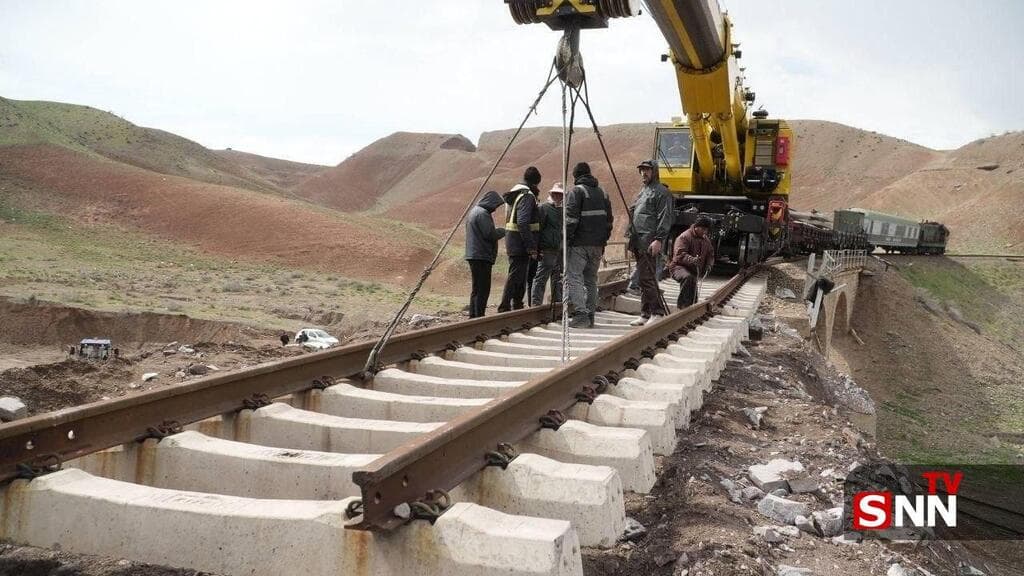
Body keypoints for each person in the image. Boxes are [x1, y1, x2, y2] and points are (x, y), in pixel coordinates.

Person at [564, 162, 613, 328]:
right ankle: (590, 315)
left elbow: (570, 220)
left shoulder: (577, 191)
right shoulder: (603, 193)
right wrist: (603, 241)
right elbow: (609, 222)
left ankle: (580, 315)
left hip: (579, 244)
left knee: (574, 276)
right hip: (598, 245)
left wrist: (566, 239)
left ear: (576, 177)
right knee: (591, 279)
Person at [628, 159, 674, 326]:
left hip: (649, 240)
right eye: (641, 170)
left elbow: (665, 217)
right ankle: (645, 313)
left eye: (647, 170)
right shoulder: (644, 191)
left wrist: (659, 239)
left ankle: (657, 311)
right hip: (638, 240)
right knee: (643, 278)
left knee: (647, 278)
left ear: (654, 171)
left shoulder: (662, 192)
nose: (643, 173)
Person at [497, 167, 542, 312]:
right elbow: (523, 222)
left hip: (514, 240)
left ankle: (517, 305)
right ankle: (504, 307)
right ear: (535, 183)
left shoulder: (516, 192)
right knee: (516, 274)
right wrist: (531, 247)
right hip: (520, 242)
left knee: (519, 274)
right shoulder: (527, 196)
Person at [464, 190, 507, 318]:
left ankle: (473, 315)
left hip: (474, 254)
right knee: (483, 288)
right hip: (482, 255)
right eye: (495, 205)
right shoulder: (482, 214)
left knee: (476, 288)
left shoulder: (474, 211)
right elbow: (490, 234)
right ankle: (479, 316)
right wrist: (503, 231)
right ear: (490, 202)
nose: (495, 209)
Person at [668, 216, 715, 309]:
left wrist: (709, 264)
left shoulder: (706, 240)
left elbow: (710, 254)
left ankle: (691, 308)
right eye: (703, 229)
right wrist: (692, 260)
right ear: (696, 226)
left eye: (706, 230)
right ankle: (682, 307)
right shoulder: (684, 237)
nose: (705, 232)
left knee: (693, 292)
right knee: (688, 277)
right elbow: (680, 254)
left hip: (693, 271)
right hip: (678, 267)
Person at [531, 182, 564, 306]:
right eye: (556, 194)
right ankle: (536, 303)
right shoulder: (544, 208)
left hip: (559, 249)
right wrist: (537, 248)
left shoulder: (563, 210)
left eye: (560, 194)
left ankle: (557, 303)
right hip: (547, 248)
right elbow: (538, 229)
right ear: (551, 194)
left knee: (557, 277)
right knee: (541, 277)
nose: (558, 196)